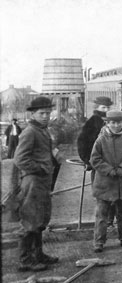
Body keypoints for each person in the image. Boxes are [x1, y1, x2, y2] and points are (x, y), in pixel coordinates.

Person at [14, 97, 59, 271]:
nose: (46, 116)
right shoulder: (30, 132)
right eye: (42, 113)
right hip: (32, 181)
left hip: (41, 182)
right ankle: (25, 260)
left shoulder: (42, 130)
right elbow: (20, 159)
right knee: (29, 221)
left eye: (48, 113)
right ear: (33, 114)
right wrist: (39, 168)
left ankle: (38, 255)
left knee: (39, 219)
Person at [90, 110, 122, 252]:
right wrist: (109, 170)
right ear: (107, 123)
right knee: (102, 215)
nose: (116, 125)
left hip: (121, 184)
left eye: (119, 122)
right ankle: (99, 242)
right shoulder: (100, 140)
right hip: (104, 183)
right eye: (113, 122)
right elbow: (95, 159)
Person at [77, 96, 117, 227]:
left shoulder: (112, 121)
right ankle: (102, 224)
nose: (106, 110)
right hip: (99, 165)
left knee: (113, 194)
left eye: (107, 108)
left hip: (111, 164)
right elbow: (82, 142)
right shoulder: (93, 122)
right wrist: (87, 161)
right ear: (97, 108)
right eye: (103, 107)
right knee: (101, 196)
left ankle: (110, 222)